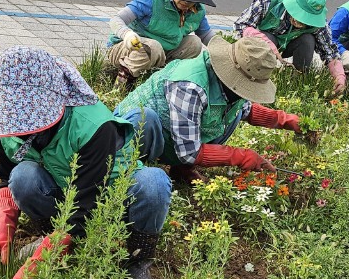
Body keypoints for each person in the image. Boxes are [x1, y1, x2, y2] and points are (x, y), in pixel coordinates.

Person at [0, 46, 171, 279]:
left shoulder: (93, 126)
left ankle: (136, 264)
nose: (20, 128)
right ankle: (55, 238)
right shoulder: (9, 123)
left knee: (154, 183)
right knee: (22, 176)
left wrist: (29, 278)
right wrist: (2, 226)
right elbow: (6, 176)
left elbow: (85, 206)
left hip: (109, 194)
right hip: (63, 191)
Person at [114, 35, 299, 178]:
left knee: (232, 116)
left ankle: (181, 171)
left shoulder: (231, 87)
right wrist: (241, 157)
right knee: (146, 119)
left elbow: (246, 110)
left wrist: (287, 121)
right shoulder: (190, 86)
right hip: (140, 132)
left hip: (175, 135)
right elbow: (189, 151)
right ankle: (130, 174)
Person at [106, 0, 216, 88]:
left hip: (162, 53)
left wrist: (226, 50)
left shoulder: (197, 10)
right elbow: (116, 19)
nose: (186, 2)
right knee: (153, 46)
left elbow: (206, 35)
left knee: (194, 43)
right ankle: (121, 86)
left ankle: (164, 79)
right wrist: (127, 35)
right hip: (127, 48)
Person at [233, 0, 346, 94]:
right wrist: (263, 40)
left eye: (306, 20)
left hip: (292, 45)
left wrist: (339, 75)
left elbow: (330, 52)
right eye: (299, 16)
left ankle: (297, 83)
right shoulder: (266, 1)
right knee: (267, 40)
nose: (300, 23)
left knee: (308, 40)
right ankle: (256, 79)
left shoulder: (320, 24)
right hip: (265, 43)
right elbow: (241, 25)